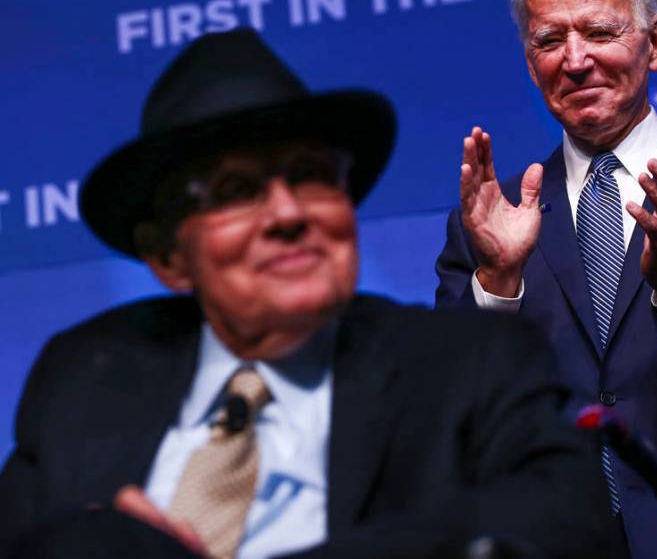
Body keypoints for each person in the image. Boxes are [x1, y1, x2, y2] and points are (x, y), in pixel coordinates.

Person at [0, 28, 616, 558]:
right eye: (237, 191)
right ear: (167, 257)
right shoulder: (86, 378)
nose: (288, 213)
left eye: (312, 177)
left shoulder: (466, 363)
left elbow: (563, 529)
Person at [435, 0, 657, 559]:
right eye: (550, 41)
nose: (574, 61)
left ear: (653, 43)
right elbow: (451, 410)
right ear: (530, 61)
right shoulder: (492, 222)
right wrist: (497, 283)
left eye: (599, 33)